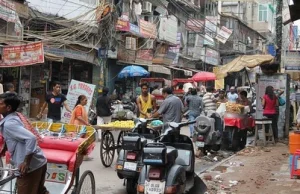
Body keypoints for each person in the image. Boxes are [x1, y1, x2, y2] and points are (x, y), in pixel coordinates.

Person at [0, 93, 48, 194]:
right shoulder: (14, 116)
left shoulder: (9, 123)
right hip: (39, 162)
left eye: (0, 104)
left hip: (30, 167)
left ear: (8, 108)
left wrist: (26, 162)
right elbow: (14, 137)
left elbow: (31, 138)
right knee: (40, 191)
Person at [70, 95, 94, 161]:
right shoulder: (79, 107)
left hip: (81, 126)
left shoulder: (82, 107)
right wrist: (87, 123)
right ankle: (79, 155)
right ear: (81, 101)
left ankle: (84, 155)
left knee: (83, 141)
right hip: (78, 126)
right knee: (81, 141)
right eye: (85, 100)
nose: (86, 102)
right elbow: (78, 117)